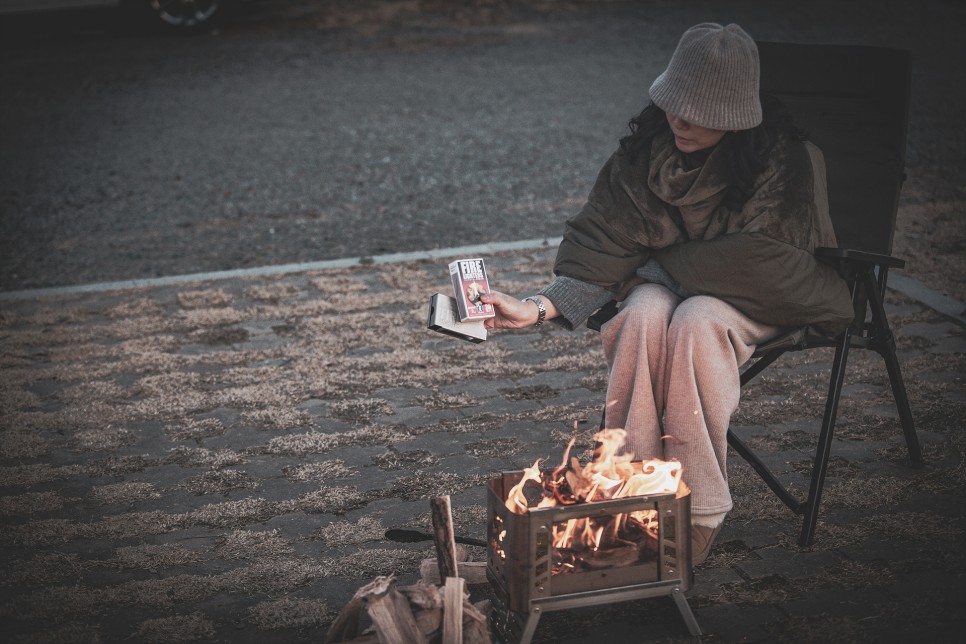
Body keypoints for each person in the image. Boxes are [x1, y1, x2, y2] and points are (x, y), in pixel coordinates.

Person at [480, 23, 854, 566]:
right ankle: (628, 490)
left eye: (698, 111)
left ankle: (698, 509)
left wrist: (658, 267)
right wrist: (536, 308)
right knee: (644, 313)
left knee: (697, 318)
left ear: (732, 115)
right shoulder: (649, 152)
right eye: (674, 103)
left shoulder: (787, 159)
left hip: (763, 299)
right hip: (668, 290)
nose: (679, 119)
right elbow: (605, 245)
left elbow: (770, 264)